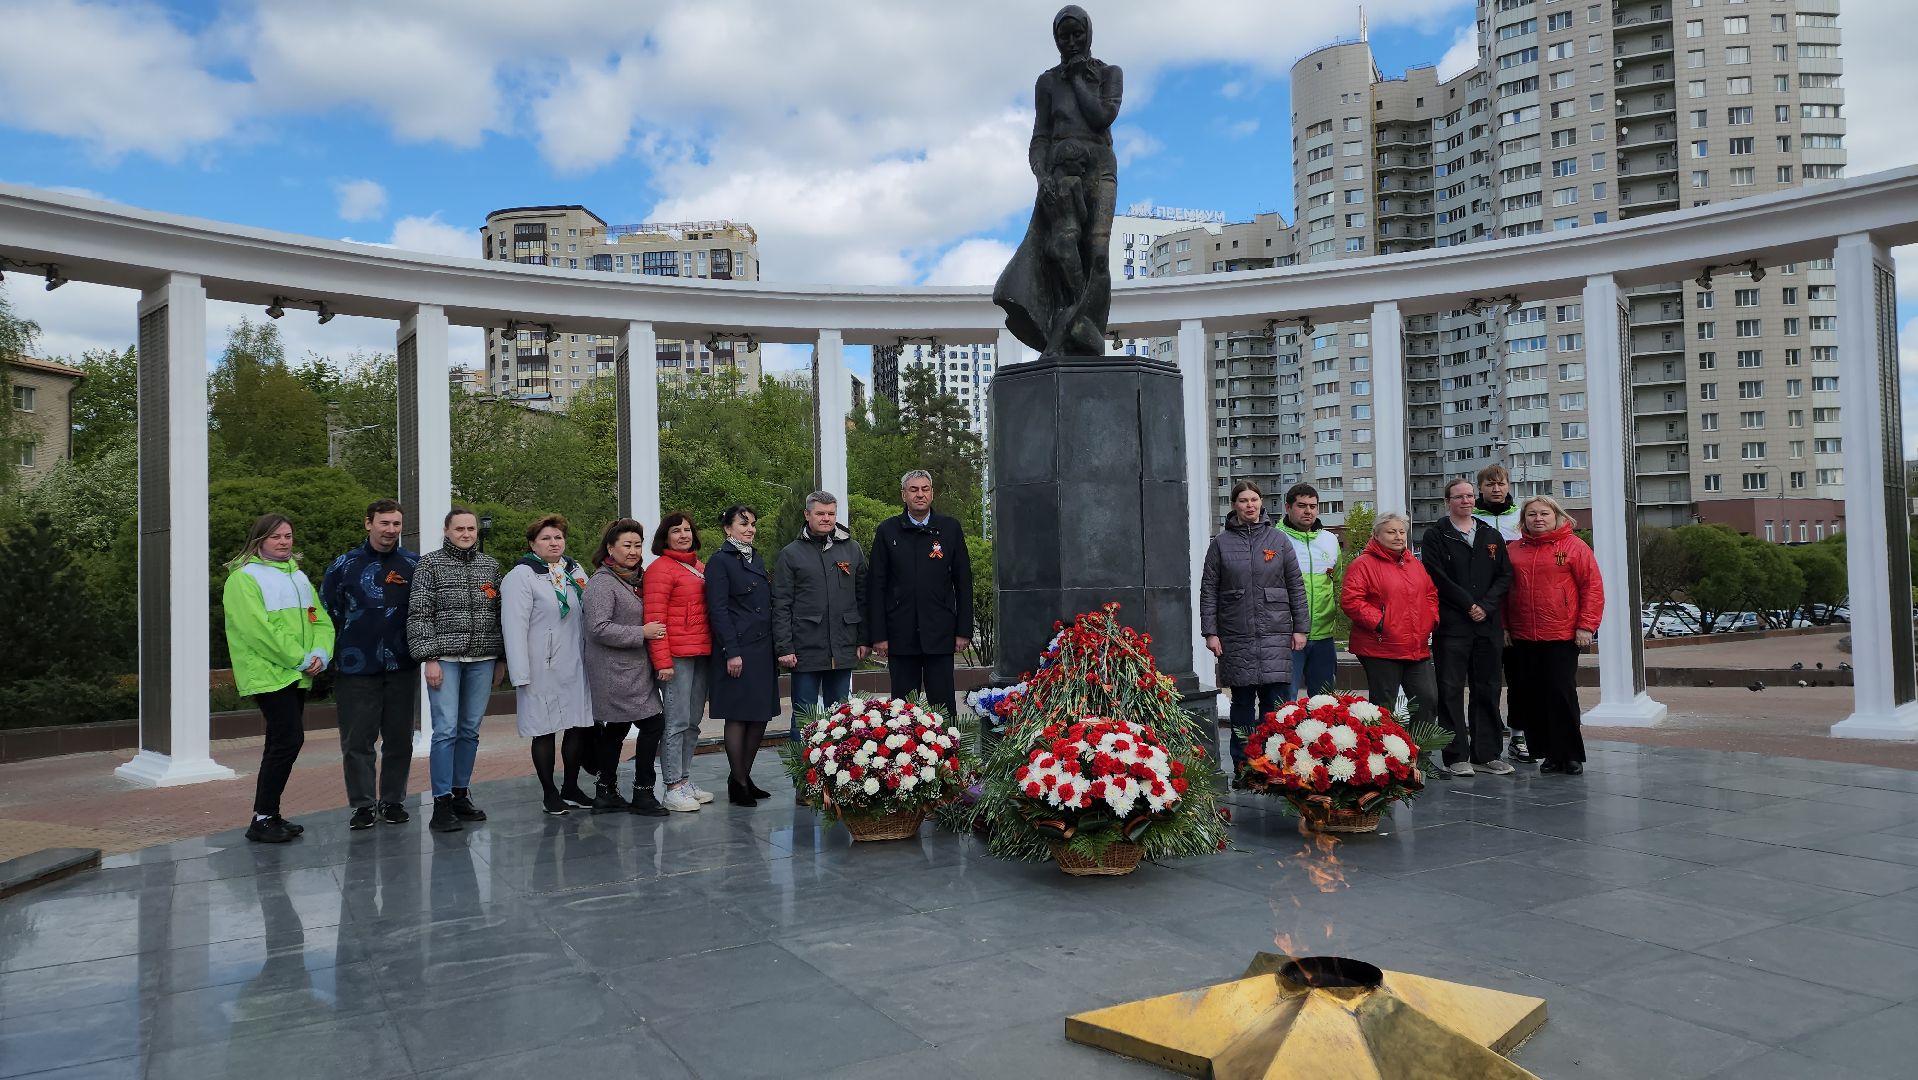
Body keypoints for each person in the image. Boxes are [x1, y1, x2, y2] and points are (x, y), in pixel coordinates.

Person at [994, 5, 1124, 357]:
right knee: (1062, 251)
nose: (1070, 41)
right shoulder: (1047, 82)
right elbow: (1040, 137)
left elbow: (1101, 116)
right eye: (1063, 36)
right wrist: (1041, 176)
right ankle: (1076, 328)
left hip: (1099, 167)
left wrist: (1079, 79)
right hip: (1060, 173)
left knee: (1097, 254)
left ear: (1089, 32)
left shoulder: (1109, 73)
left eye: (1077, 33)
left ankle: (1086, 326)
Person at [223, 515, 334, 843]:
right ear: (259, 540)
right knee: (288, 740)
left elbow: (321, 620)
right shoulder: (243, 579)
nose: (284, 541)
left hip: (294, 672)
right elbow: (257, 631)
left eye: (288, 536)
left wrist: (321, 654)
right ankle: (263, 818)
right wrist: (300, 659)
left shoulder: (298, 577)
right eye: (276, 537)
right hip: (270, 672)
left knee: (280, 742)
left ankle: (268, 815)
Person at [320, 499, 420, 830]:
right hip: (356, 667)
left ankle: (392, 801)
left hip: (401, 665)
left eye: (396, 524)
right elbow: (327, 612)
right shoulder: (344, 565)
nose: (390, 530)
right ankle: (362, 804)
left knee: (399, 738)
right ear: (368, 524)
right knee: (357, 740)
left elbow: (421, 612)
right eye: (384, 523)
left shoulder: (413, 564)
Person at [406, 507, 504, 833]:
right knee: (445, 730)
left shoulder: (490, 566)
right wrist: (429, 657)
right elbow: (420, 613)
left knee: (470, 730)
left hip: (482, 659)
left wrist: (500, 658)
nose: (466, 534)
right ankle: (442, 802)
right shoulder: (430, 564)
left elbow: (500, 614)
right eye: (459, 528)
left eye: (471, 528)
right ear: (447, 530)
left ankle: (461, 794)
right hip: (445, 660)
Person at [1200, 480, 1309, 772]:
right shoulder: (1221, 544)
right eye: (1243, 500)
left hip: (1276, 635)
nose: (1250, 505)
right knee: (1243, 706)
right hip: (1237, 636)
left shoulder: (1278, 541)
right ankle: (1243, 762)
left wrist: (1301, 628)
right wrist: (1211, 632)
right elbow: (1209, 590)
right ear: (1234, 506)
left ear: (1262, 503)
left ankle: (1274, 761)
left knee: (1276, 707)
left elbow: (1296, 587)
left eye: (1254, 499)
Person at [501, 515, 595, 815]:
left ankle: (570, 786)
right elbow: (513, 627)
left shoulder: (574, 570)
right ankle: (549, 791)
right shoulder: (522, 576)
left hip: (576, 663)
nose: (554, 543)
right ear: (532, 544)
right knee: (544, 730)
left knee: (577, 726)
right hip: (541, 665)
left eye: (558, 537)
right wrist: (519, 672)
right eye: (546, 538)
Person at [1421, 479, 1515, 777]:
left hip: (1487, 625)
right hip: (1453, 625)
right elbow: (1436, 576)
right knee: (1449, 689)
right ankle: (1455, 755)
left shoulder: (1490, 534)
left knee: (1487, 688)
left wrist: (1485, 606)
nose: (1466, 501)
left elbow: (1504, 575)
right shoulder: (1436, 535)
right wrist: (1467, 605)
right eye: (1459, 497)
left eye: (1470, 496)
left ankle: (1486, 753)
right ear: (1447, 500)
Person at [1504, 495, 1603, 775]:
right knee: (1534, 695)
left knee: (1561, 692)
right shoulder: (1514, 550)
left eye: (1544, 514)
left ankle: (1570, 754)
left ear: (1556, 516)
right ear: (1523, 520)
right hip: (1523, 635)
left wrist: (1587, 625)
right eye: (1532, 514)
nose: (1538, 519)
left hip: (1562, 633)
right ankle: (1547, 754)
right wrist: (1504, 627)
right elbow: (1503, 592)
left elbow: (1592, 587)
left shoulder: (1574, 547)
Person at [582, 518, 671, 816]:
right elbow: (597, 627)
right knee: (652, 723)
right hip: (613, 670)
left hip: (635, 669)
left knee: (617, 728)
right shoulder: (603, 582)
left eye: (637, 545)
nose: (633, 551)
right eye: (626, 545)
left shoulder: (636, 578)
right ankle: (643, 793)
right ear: (610, 548)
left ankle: (605, 790)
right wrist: (641, 633)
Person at [869, 470, 973, 721]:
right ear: (903, 495)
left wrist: (963, 630)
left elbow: (963, 582)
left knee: (943, 705)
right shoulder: (887, 531)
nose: (920, 494)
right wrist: (879, 636)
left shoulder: (949, 528)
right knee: (902, 710)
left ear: (932, 493)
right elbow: (875, 586)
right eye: (914, 490)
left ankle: (949, 757)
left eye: (925, 489)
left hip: (940, 632)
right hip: (900, 633)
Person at [773, 490, 869, 734]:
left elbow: (864, 598)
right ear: (807, 515)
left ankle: (837, 770)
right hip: (805, 647)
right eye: (820, 513)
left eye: (831, 513)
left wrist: (864, 638)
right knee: (805, 716)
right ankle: (801, 773)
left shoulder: (852, 549)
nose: (826, 518)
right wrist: (785, 647)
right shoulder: (790, 553)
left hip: (843, 644)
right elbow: (781, 603)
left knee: (841, 716)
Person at [706, 505, 781, 806]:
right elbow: (719, 610)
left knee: (760, 714)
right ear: (727, 529)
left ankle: (742, 777)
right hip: (737, 649)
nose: (749, 529)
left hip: (762, 648)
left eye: (753, 524)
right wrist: (731, 652)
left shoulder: (755, 557)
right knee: (738, 715)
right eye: (743, 524)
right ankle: (738, 782)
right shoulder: (720, 562)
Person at [1340, 513, 1441, 733]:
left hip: (1416, 646)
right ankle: (1384, 760)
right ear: (1376, 535)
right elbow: (1351, 601)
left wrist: (1430, 619)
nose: (1398, 536)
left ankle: (1418, 757)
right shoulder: (1363, 564)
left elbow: (1430, 594)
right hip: (1380, 646)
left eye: (1401, 531)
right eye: (1391, 531)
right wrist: (1382, 623)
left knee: (1427, 700)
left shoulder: (1414, 563)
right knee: (1383, 708)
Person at [645, 511, 717, 813]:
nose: (684, 534)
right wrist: (662, 662)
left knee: (692, 722)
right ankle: (671, 785)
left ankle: (685, 780)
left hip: (701, 653)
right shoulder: (660, 569)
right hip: (676, 657)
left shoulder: (698, 567)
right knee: (675, 722)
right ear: (666, 536)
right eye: (676, 530)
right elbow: (654, 618)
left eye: (688, 529)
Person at [1473, 462, 1528, 762]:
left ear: (1508, 486)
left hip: (1518, 609)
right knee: (1487, 679)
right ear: (1480, 488)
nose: (1496, 489)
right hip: (1484, 612)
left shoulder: (1521, 518)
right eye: (1490, 484)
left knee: (1520, 679)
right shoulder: (1470, 518)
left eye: (1501, 483)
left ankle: (1519, 737)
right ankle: (1486, 738)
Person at [1276, 483, 1342, 698]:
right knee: (1284, 704)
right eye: (1302, 505)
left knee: (1324, 704)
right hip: (1286, 636)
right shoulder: (1274, 539)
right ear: (1288, 507)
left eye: (1313, 506)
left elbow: (1337, 582)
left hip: (1323, 635)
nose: (1308, 511)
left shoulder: (1330, 540)